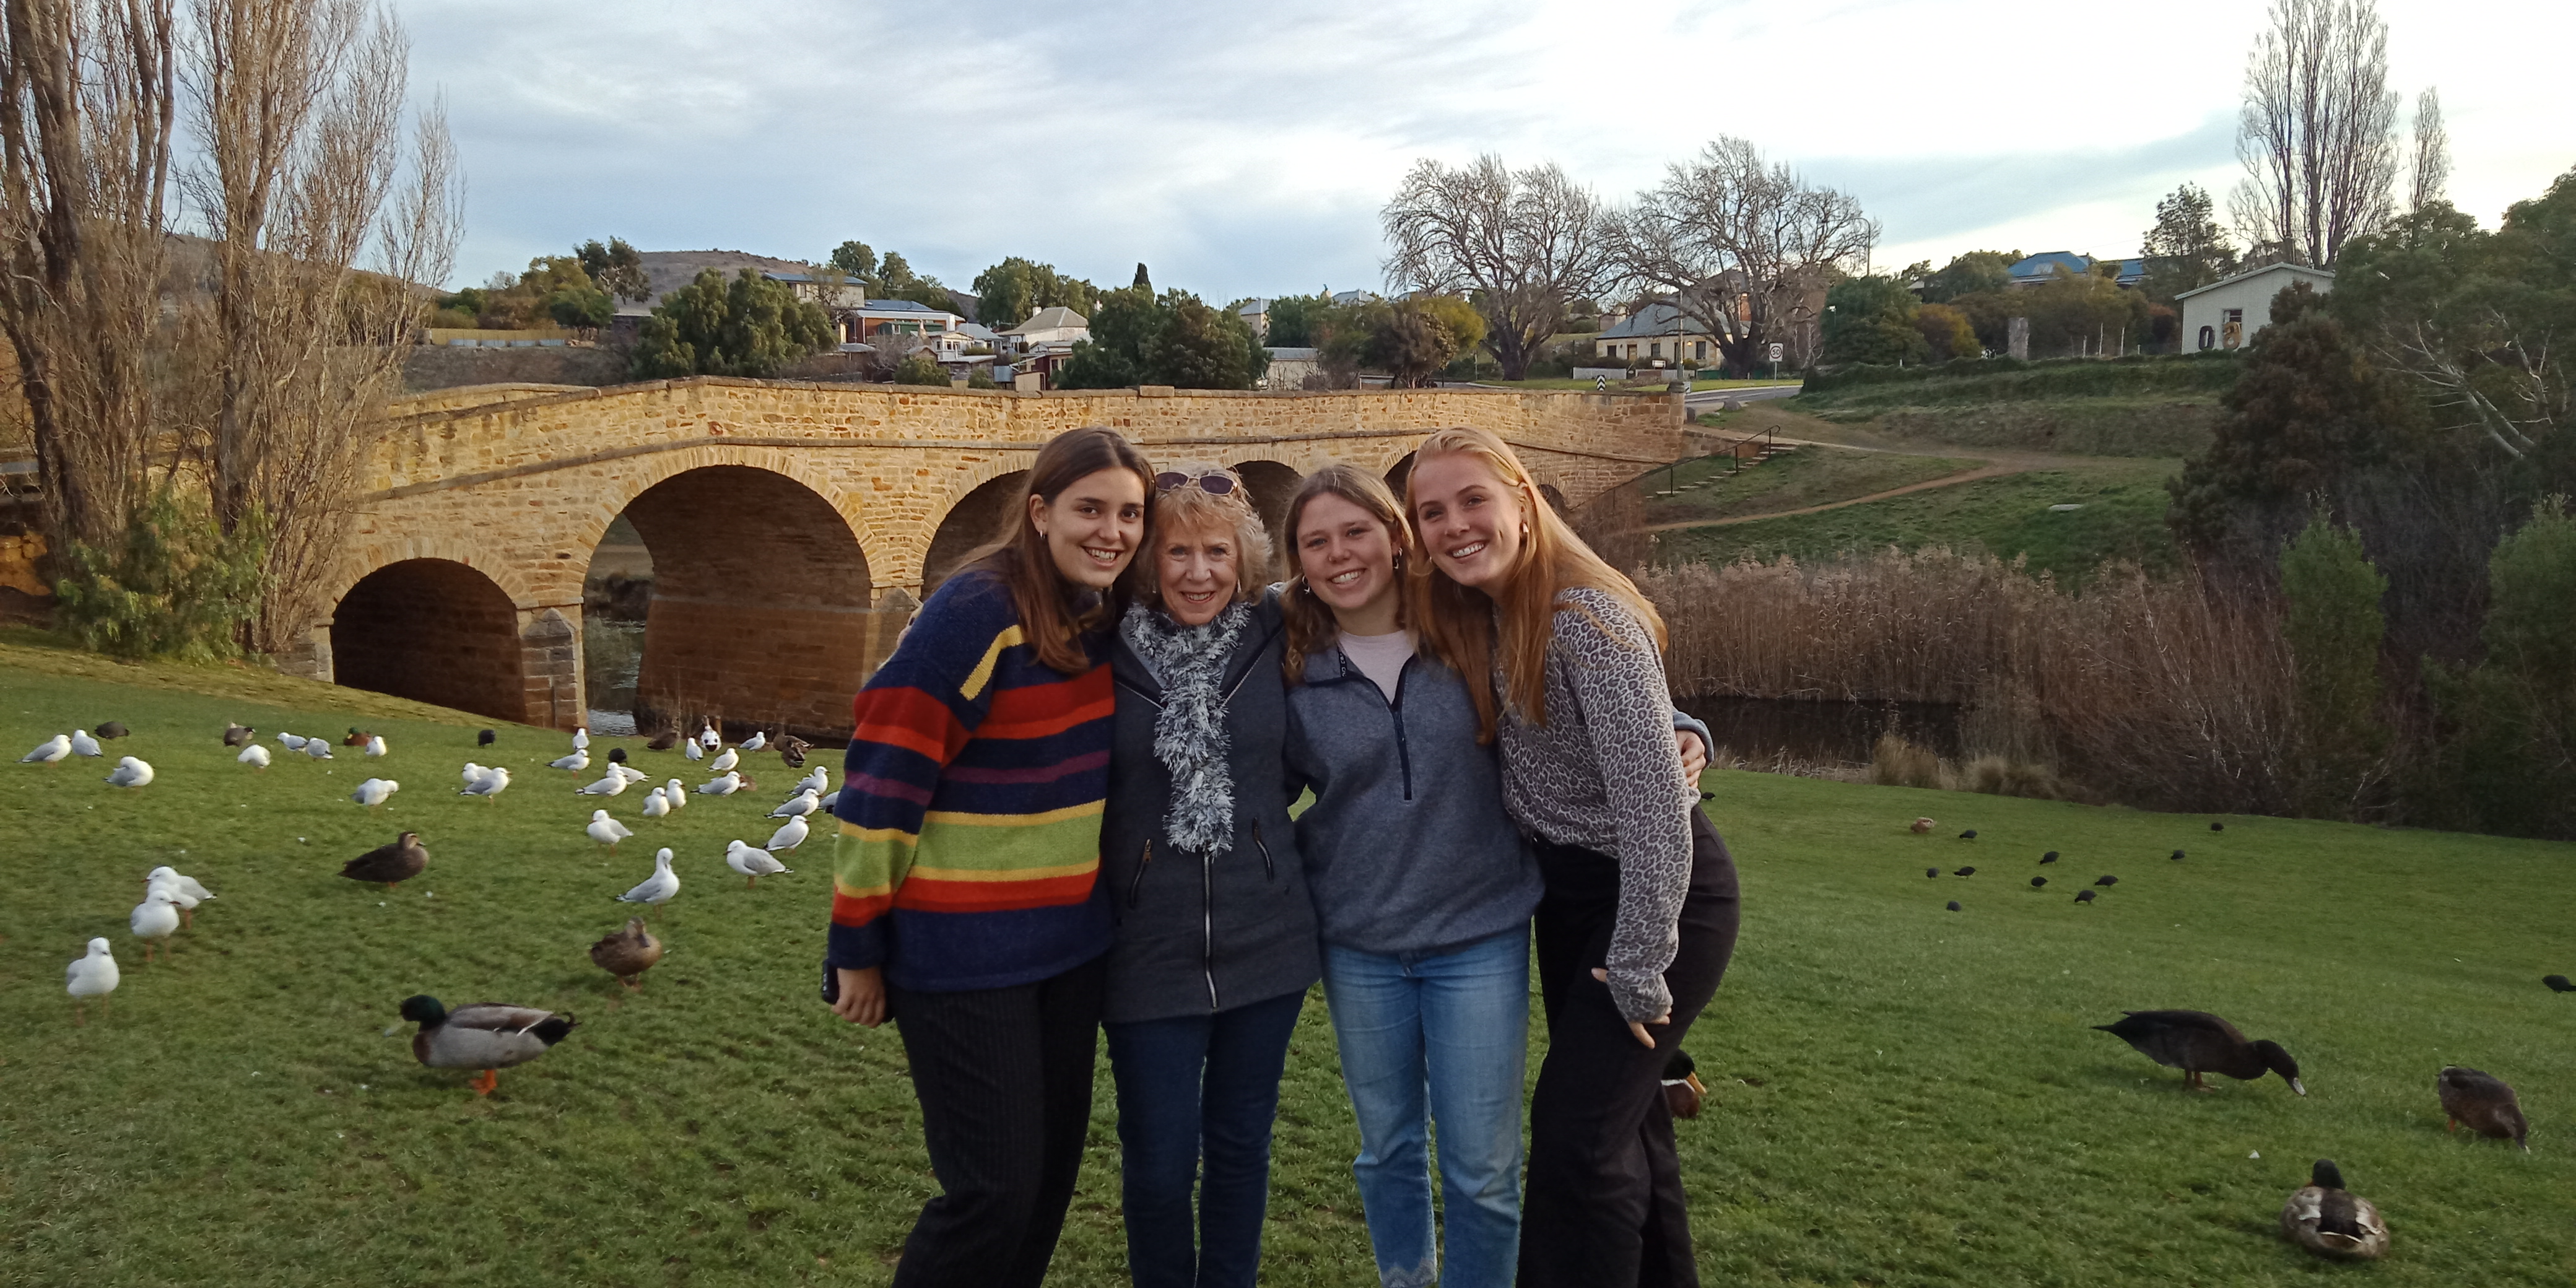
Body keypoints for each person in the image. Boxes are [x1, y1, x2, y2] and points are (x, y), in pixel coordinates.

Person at [1281, 463, 1716, 1288]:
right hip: (1360, 943)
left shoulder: (1466, 620)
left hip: (1478, 936)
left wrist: (1684, 726)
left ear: (1397, 538)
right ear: (1296, 560)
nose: (1341, 555)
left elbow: (1601, 692)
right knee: (1389, 1152)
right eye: (1316, 542)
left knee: (1483, 1167)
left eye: (1358, 532)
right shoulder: (1290, 655)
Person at [1405, 427, 1741, 1288]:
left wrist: (1638, 962)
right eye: (1431, 513)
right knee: (1630, 1131)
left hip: (1654, 897)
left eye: (1473, 500)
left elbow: (1659, 816)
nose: (1454, 526)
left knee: (1578, 1142)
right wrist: (1687, 724)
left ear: (1522, 497)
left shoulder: (1583, 618)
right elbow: (1338, 578)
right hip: (1570, 897)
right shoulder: (1483, 608)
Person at [823, 426, 1152, 1288]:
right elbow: (882, 779)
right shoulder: (978, 612)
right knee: (991, 1192)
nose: (1111, 531)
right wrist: (856, 948)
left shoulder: (1101, 612)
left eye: (1129, 514)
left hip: (1069, 951)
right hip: (963, 958)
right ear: (1040, 511)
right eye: (1090, 509)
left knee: (1044, 1184)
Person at [1097, 463, 1320, 1288]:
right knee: (1158, 1164)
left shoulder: (1280, 628)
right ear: (1147, 562)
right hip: (1144, 948)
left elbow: (1417, 626)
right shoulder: (1100, 642)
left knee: (1239, 1148)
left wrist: (1679, 721)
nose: (1198, 574)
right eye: (1177, 554)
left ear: (1245, 559)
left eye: (1217, 552)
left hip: (1268, 939)